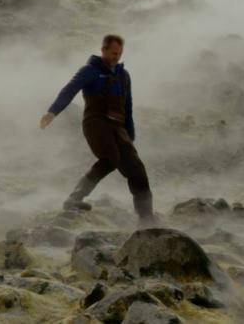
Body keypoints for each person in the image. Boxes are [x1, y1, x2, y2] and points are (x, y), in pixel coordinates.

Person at [39, 34, 157, 227]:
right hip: (96, 123)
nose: (116, 57)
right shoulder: (90, 71)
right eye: (112, 53)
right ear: (103, 50)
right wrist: (52, 113)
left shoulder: (123, 75)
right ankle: (74, 199)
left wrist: (130, 137)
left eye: (119, 54)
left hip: (118, 127)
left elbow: (128, 108)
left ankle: (146, 218)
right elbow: (69, 91)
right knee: (111, 158)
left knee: (137, 168)